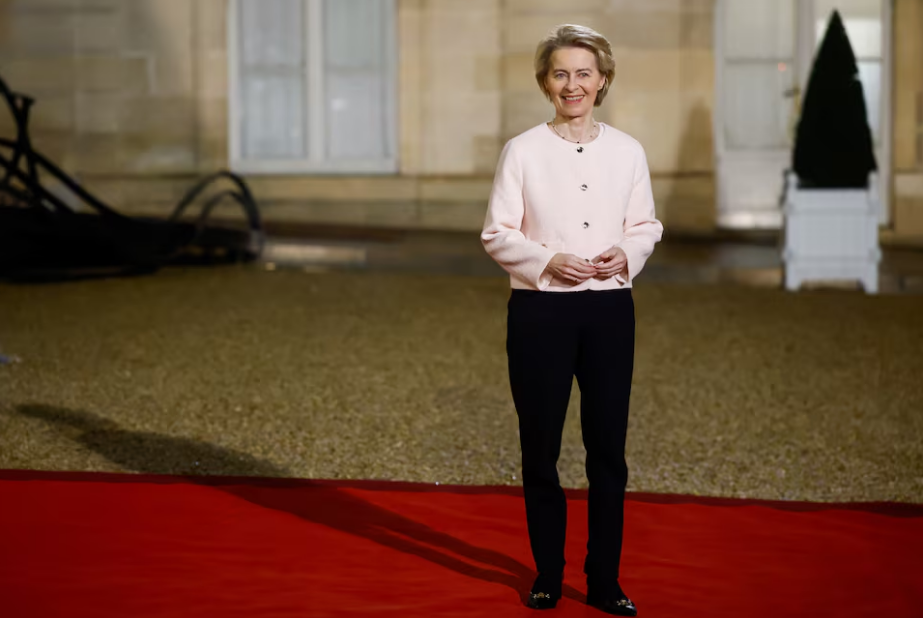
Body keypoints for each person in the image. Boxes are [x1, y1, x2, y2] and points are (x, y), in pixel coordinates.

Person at [481, 24, 663, 616]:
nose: (572, 84)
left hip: (610, 309)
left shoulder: (629, 151)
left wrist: (627, 254)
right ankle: (548, 574)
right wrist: (546, 260)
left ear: (602, 80)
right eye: (561, 73)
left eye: (584, 73)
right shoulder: (523, 150)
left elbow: (645, 226)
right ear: (545, 83)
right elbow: (496, 232)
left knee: (607, 449)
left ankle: (605, 579)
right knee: (540, 449)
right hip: (540, 311)